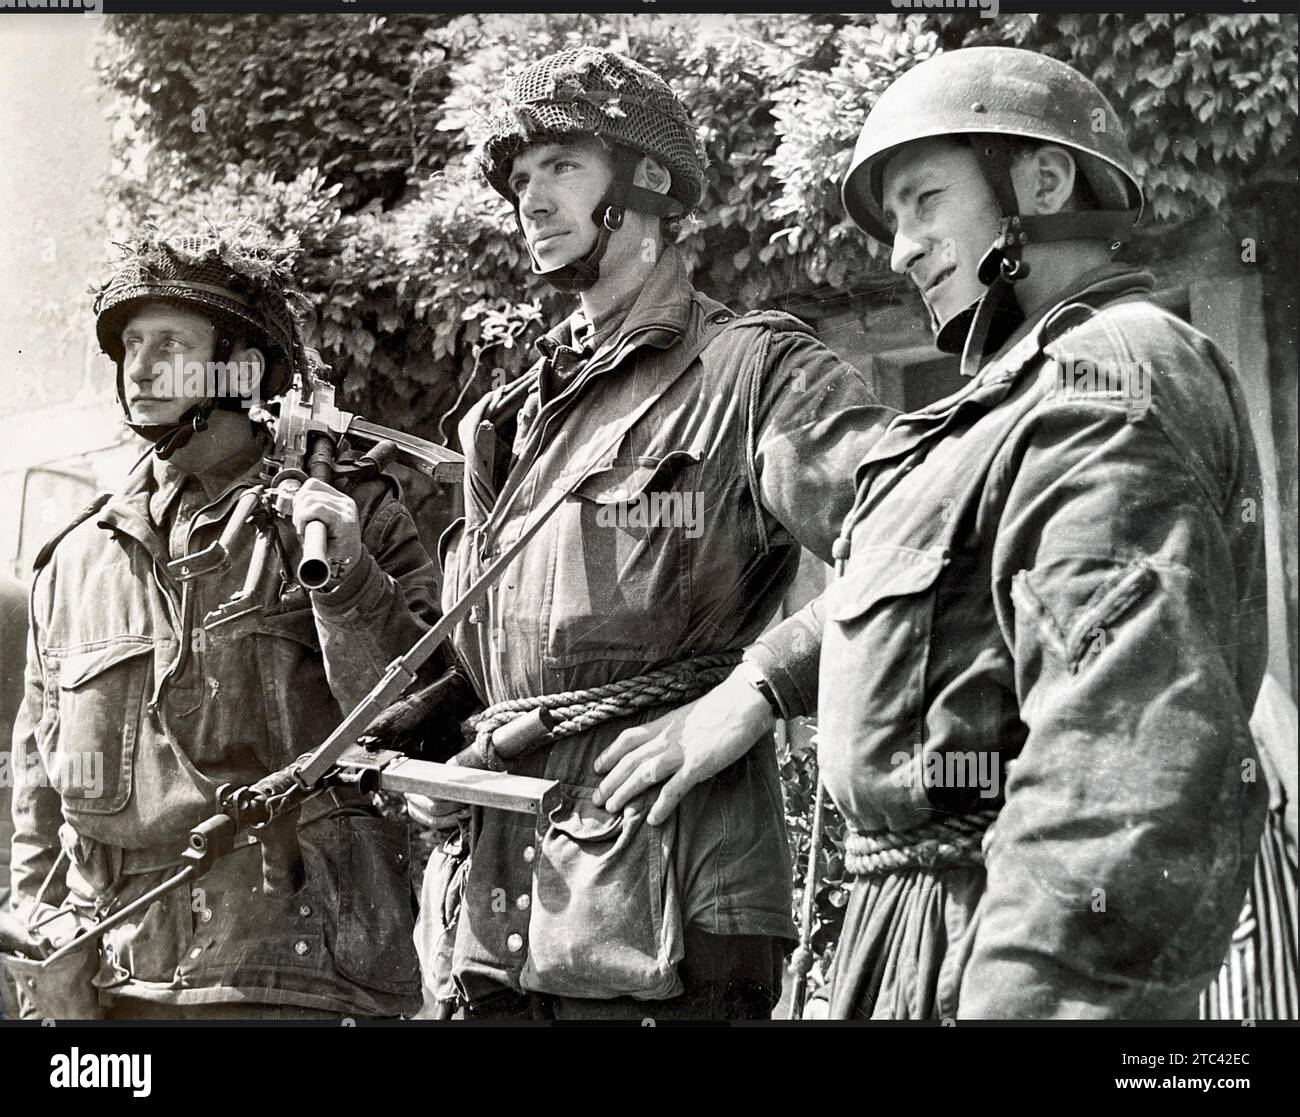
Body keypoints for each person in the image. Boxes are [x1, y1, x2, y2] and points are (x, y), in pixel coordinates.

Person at [595, 46, 1270, 1019]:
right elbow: (915, 586)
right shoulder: (1006, 402)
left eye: (923, 200)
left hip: (992, 935)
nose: (899, 247)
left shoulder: (1112, 372)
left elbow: (1118, 767)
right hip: (902, 934)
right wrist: (761, 681)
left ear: (1041, 181)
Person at [414, 45, 893, 1020]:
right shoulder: (507, 422)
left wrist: (761, 689)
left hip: (677, 893)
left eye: (561, 168)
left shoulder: (752, 374)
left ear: (647, 183)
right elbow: (503, 658)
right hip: (506, 905)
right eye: (520, 180)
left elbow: (921, 538)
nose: (530, 200)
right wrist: (432, 742)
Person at [6, 222, 437, 1019]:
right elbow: (39, 786)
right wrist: (42, 941)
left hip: (299, 979)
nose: (138, 367)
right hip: (120, 983)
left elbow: (423, 722)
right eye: (130, 344)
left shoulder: (341, 519)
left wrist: (343, 578)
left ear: (241, 364)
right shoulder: (73, 564)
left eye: (169, 342)